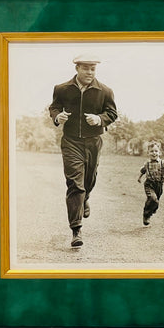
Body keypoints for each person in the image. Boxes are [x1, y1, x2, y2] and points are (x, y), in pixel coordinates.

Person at [49, 54, 117, 248]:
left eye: (93, 69)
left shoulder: (105, 91)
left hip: (94, 141)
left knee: (89, 179)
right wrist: (58, 117)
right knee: (75, 184)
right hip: (71, 141)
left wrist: (100, 119)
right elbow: (54, 108)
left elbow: (112, 113)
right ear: (77, 69)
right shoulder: (61, 89)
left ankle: (85, 198)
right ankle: (76, 230)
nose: (90, 72)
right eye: (86, 68)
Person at [138, 141, 164, 226]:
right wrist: (139, 177)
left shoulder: (163, 163)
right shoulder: (147, 164)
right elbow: (143, 171)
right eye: (151, 151)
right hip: (149, 184)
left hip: (159, 185)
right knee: (152, 198)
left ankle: (151, 210)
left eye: (156, 151)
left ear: (159, 152)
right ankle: (146, 215)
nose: (154, 153)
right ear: (148, 153)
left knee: (156, 202)